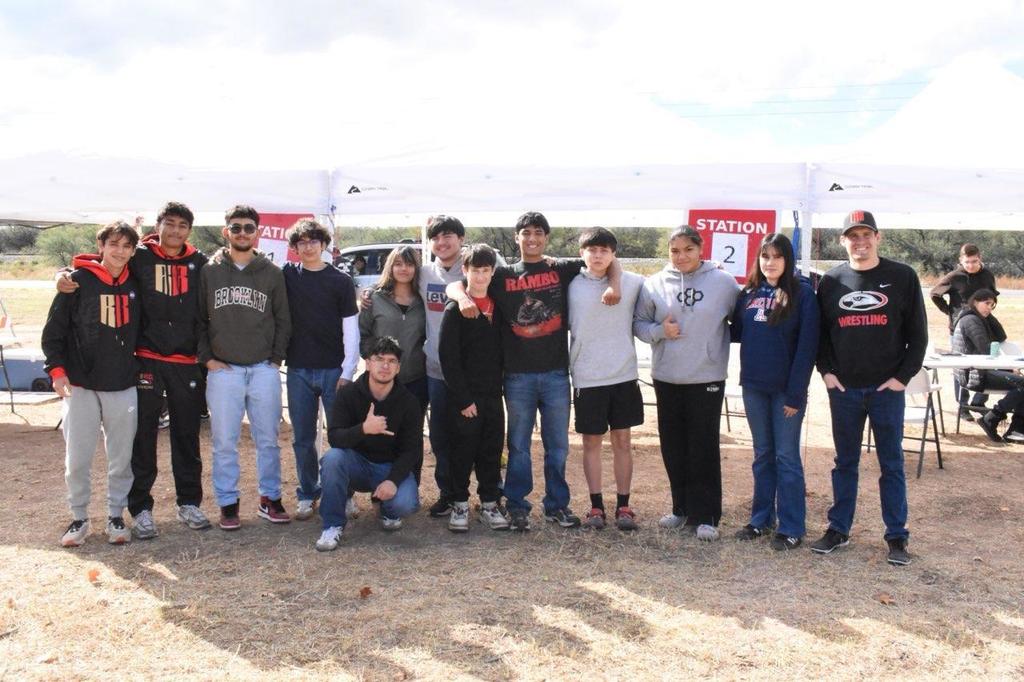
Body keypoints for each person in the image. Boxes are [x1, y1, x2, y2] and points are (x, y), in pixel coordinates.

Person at [447, 211, 621, 531]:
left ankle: (556, 505)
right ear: (517, 238)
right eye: (525, 233)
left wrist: (616, 285)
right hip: (517, 376)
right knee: (519, 446)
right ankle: (517, 505)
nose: (532, 238)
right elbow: (460, 283)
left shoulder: (562, 268)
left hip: (556, 373)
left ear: (546, 238)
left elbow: (608, 261)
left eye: (538, 233)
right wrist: (459, 297)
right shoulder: (502, 274)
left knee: (558, 446)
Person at [57, 202, 212, 539]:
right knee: (142, 437)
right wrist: (64, 275)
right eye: (169, 224)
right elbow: (99, 261)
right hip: (145, 360)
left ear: (190, 230)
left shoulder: (199, 262)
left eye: (182, 225)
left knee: (187, 435)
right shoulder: (140, 255)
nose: (175, 231)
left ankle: (189, 502)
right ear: (158, 226)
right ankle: (140, 509)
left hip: (186, 362)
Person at [813, 210, 927, 567]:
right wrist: (827, 373)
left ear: (878, 237)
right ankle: (838, 529)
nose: (860, 242)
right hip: (844, 391)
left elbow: (919, 336)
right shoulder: (831, 281)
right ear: (842, 241)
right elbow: (821, 336)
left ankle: (896, 537)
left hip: (886, 392)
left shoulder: (902, 276)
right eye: (852, 236)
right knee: (844, 462)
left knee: (891, 463)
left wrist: (901, 379)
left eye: (866, 235)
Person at [634, 225, 740, 541]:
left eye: (688, 250)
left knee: (703, 446)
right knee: (673, 446)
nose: (681, 256)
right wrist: (658, 333)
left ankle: (706, 515)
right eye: (675, 250)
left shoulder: (723, 282)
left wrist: (712, 343)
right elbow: (639, 324)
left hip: (706, 376)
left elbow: (741, 321)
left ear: (701, 249)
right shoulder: (653, 284)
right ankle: (680, 509)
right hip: (667, 376)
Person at [42, 222, 141, 546]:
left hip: (122, 383)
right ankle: (79, 517)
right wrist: (57, 371)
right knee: (78, 456)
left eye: (127, 246)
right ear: (101, 246)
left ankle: (116, 515)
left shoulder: (136, 281)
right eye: (114, 244)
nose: (120, 251)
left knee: (121, 457)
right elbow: (53, 333)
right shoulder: (77, 282)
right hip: (82, 384)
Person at [197, 205, 292, 531]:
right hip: (225, 370)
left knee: (268, 440)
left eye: (248, 228)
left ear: (258, 233)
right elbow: (198, 319)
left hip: (262, 368)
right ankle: (228, 503)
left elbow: (283, 320)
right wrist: (207, 358)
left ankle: (270, 499)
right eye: (235, 227)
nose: (241, 233)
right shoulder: (210, 271)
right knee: (225, 441)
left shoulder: (271, 272)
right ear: (226, 231)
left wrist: (275, 358)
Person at [731, 233, 820, 550]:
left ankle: (792, 526)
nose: (770, 263)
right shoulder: (749, 293)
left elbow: (807, 348)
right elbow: (736, 332)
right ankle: (761, 520)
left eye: (777, 256)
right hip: (754, 386)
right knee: (762, 455)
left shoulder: (803, 295)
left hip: (786, 392)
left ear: (788, 260)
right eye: (765, 256)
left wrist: (796, 394)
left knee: (786, 457)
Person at [568, 228, 645, 531]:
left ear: (614, 255)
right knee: (590, 443)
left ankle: (624, 505)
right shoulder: (570, 285)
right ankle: (596, 506)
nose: (598, 255)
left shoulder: (634, 283)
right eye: (592, 250)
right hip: (587, 376)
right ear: (581, 253)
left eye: (605, 250)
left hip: (623, 374)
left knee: (623, 441)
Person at [315, 337, 423, 551]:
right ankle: (333, 525)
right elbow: (335, 437)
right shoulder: (348, 394)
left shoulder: (408, 401)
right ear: (368, 363)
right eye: (379, 359)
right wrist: (364, 428)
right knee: (332, 458)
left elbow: (411, 449)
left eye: (392, 361)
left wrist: (393, 480)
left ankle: (387, 509)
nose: (385, 366)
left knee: (406, 504)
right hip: (357, 464)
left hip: (388, 467)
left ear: (398, 367)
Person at [283, 219, 360, 520]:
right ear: (295, 247)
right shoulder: (288, 276)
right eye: (301, 242)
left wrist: (347, 370)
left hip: (333, 370)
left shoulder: (340, 281)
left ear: (324, 245)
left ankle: (346, 493)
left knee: (340, 435)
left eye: (313, 241)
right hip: (299, 368)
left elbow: (350, 328)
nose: (308, 246)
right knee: (302, 438)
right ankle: (308, 491)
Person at [438, 244, 508, 532]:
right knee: (462, 451)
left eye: (485, 270)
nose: (479, 276)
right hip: (465, 396)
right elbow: (448, 358)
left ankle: (490, 503)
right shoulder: (456, 309)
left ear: (492, 272)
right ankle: (459, 503)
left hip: (494, 394)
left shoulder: (499, 307)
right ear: (464, 271)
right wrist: (463, 398)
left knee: (491, 450)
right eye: (474, 270)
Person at [930, 243, 999, 422]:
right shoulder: (954, 276)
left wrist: (988, 309)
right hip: (959, 329)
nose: (971, 265)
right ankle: (962, 405)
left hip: (983, 327)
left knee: (986, 362)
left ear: (980, 258)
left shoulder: (987, 275)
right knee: (961, 367)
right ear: (961, 260)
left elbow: (993, 296)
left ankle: (978, 401)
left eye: (974, 261)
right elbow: (934, 294)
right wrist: (950, 312)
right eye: (967, 262)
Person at [359, 246, 428, 412]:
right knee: (380, 432)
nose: (404, 268)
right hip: (380, 380)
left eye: (409, 264)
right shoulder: (374, 299)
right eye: (398, 264)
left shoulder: (423, 300)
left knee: (412, 434)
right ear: (390, 266)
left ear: (416, 268)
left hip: (416, 380)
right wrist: (377, 360)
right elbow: (363, 334)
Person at [951, 289, 1024, 443]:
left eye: (992, 305)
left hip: (977, 371)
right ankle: (993, 418)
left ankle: (1015, 430)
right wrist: (1009, 368)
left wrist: (988, 315)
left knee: (1022, 383)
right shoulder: (971, 320)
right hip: (974, 375)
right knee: (1022, 383)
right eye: (987, 303)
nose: (989, 307)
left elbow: (1001, 336)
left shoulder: (976, 318)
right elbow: (986, 350)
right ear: (975, 302)